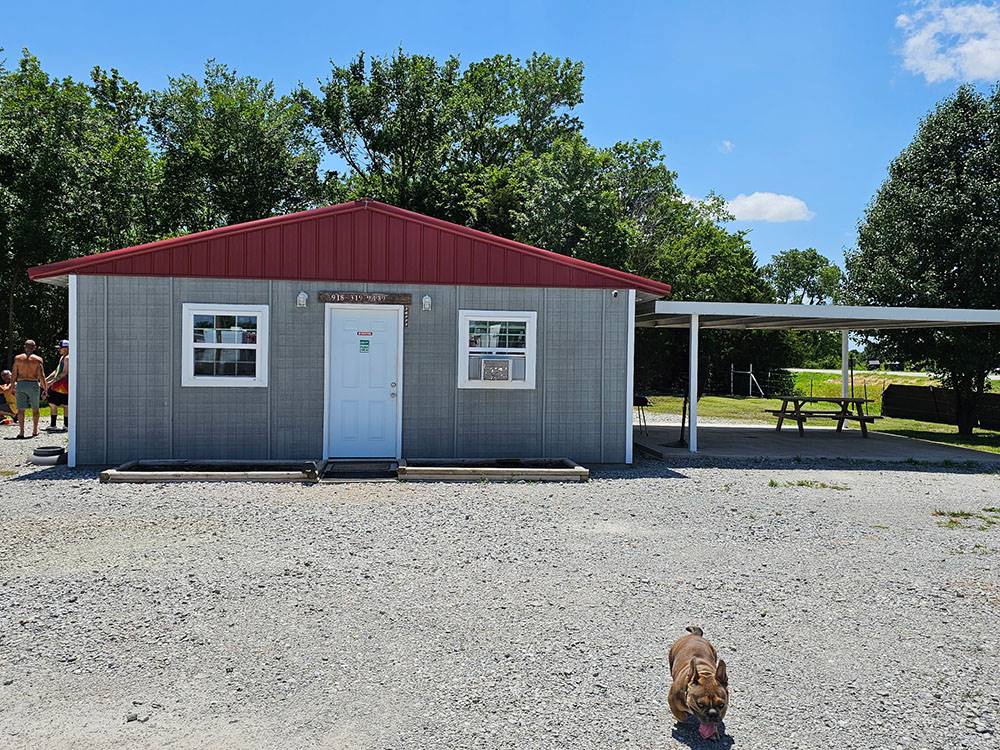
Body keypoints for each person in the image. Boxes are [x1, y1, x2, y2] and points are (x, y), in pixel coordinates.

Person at [11, 339, 47, 439]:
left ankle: (21, 432)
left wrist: (12, 385)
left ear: (24, 347)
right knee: (35, 409)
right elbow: (42, 376)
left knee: (21, 410)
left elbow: (14, 373)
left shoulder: (18, 358)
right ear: (34, 347)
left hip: (21, 384)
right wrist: (45, 389)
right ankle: (35, 430)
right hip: (33, 384)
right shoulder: (38, 360)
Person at [45, 340, 70, 431]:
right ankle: (54, 425)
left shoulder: (67, 358)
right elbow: (57, 370)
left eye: (60, 348)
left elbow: (64, 373)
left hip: (64, 385)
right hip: (58, 384)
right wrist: (46, 379)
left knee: (65, 405)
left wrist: (51, 382)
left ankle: (65, 425)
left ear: (66, 348)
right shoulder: (62, 357)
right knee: (53, 403)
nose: (59, 349)